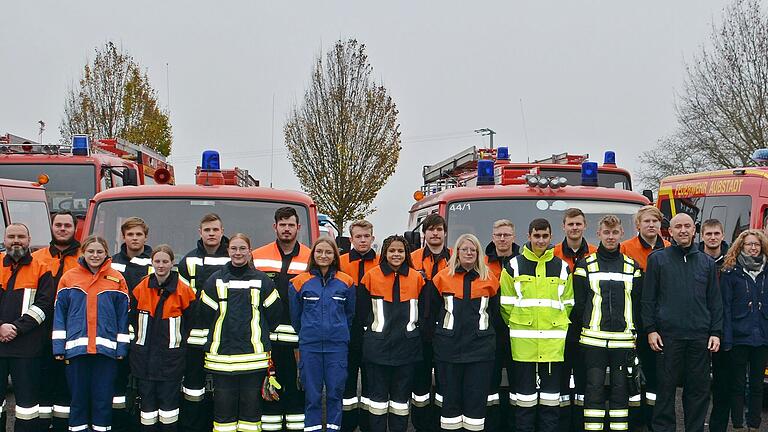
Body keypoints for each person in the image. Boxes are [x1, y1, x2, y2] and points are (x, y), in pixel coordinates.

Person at [189, 233, 282, 432]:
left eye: (242, 249)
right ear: (228, 251)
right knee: (223, 416)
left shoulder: (263, 281)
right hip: (222, 361)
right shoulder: (215, 280)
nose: (238, 253)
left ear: (250, 251)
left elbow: (275, 315)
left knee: (251, 414)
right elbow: (204, 314)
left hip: (253, 361)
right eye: (234, 249)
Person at [641, 213, 722, 432]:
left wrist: (715, 332)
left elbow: (715, 301)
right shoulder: (657, 259)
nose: (683, 230)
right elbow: (648, 299)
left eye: (687, 226)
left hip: (699, 338)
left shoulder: (707, 262)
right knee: (665, 391)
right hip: (668, 337)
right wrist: (651, 330)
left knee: (698, 392)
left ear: (694, 230)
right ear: (670, 231)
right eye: (678, 227)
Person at [500, 218, 573, 432]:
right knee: (525, 403)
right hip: (524, 348)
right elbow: (506, 306)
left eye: (545, 236)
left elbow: (568, 304)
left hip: (552, 348)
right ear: (529, 236)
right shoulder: (513, 266)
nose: (540, 240)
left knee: (551, 403)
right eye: (536, 236)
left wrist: (554, 325)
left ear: (551, 237)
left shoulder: (562, 268)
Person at [53, 235, 131, 432]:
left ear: (106, 253)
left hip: (107, 352)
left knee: (103, 400)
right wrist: (58, 348)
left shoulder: (117, 278)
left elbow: (123, 317)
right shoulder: (69, 278)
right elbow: (59, 315)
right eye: (91, 251)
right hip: (76, 351)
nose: (95, 255)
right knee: (78, 399)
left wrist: (122, 347)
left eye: (99, 251)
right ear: (83, 252)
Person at [572, 215, 642, 432]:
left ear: (622, 234)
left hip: (623, 341)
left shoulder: (632, 266)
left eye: (614, 233)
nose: (610, 237)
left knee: (621, 390)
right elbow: (579, 304)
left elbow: (638, 304)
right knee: (593, 389)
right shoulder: (585, 265)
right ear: (599, 234)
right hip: (594, 341)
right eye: (606, 232)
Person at [432, 233, 500, 432]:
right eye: (465, 249)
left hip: (480, 351)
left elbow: (495, 314)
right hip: (448, 350)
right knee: (450, 401)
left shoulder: (490, 278)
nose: (469, 253)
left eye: (473, 249)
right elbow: (432, 311)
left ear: (478, 253)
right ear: (457, 253)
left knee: (476, 402)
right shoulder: (442, 277)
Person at [252, 207, 311, 432]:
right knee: (269, 391)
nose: (287, 229)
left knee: (297, 390)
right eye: (282, 224)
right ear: (275, 226)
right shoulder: (258, 256)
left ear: (299, 227)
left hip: (298, 339)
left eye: (291, 225)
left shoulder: (309, 257)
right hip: (266, 338)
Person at [358, 235, 425, 432]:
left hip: (407, 349)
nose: (396, 254)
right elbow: (362, 312)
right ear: (385, 253)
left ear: (406, 254)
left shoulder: (417, 278)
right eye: (392, 251)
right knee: (377, 401)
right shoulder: (371, 276)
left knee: (400, 402)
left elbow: (423, 312)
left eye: (400, 251)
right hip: (377, 348)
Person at [289, 237, 355, 432]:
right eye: (319, 252)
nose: (323, 256)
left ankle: (334, 428)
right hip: (310, 346)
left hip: (337, 347)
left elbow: (350, 314)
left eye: (328, 252)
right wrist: (308, 333)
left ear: (335, 255)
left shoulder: (347, 282)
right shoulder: (300, 282)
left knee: (335, 392)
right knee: (312, 394)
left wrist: (339, 331)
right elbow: (295, 316)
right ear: (313, 255)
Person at [130, 245, 196, 431]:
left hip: (171, 361)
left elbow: (191, 323)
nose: (161, 265)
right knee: (147, 410)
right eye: (157, 261)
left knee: (169, 409)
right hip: (143, 360)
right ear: (152, 262)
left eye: (165, 261)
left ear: (172, 263)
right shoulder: (140, 288)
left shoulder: (184, 291)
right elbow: (131, 320)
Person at [178, 213, 230, 432]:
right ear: (200, 232)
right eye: (207, 230)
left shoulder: (233, 258)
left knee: (224, 386)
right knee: (193, 387)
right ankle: (192, 426)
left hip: (225, 335)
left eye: (215, 230)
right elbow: (179, 299)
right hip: (194, 335)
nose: (211, 234)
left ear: (222, 231)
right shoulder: (188, 261)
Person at [0, 223, 54, 431]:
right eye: (11, 236)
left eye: (21, 236)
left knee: (27, 406)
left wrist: (16, 328)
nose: (16, 240)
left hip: (27, 347)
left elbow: (45, 305)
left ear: (29, 240)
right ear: (4, 240)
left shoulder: (41, 268)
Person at [620, 205, 670, 427]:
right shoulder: (625, 248)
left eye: (655, 221)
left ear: (660, 225)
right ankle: (634, 420)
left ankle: (653, 419)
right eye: (647, 221)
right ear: (637, 225)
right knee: (630, 374)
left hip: (660, 323)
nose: (651, 225)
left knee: (655, 373)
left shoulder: (670, 248)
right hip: (632, 320)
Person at [33, 210, 81, 430]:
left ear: (74, 228)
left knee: (66, 384)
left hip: (73, 330)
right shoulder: (37, 258)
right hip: (40, 331)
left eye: (67, 225)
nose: (62, 229)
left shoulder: (84, 257)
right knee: (42, 382)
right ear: (52, 228)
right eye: (58, 225)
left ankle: (63, 426)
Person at [552, 208, 597, 431]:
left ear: (585, 226)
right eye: (570, 224)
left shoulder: (595, 254)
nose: (574, 228)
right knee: (559, 382)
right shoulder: (552, 255)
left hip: (587, 328)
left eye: (578, 224)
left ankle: (580, 424)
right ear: (564, 227)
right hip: (559, 329)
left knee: (583, 381)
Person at [720, 229, 768, 432]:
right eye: (749, 244)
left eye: (756, 244)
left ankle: (754, 426)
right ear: (741, 246)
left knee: (757, 386)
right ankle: (738, 425)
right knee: (737, 385)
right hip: (739, 337)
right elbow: (725, 307)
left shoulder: (766, 271)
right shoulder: (731, 272)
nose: (753, 247)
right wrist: (727, 339)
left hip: (762, 337)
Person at [110, 216, 154, 431]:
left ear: (146, 237)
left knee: (144, 382)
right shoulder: (112, 262)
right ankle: (119, 425)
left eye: (138, 234)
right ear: (123, 237)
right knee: (117, 382)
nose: (134, 238)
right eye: (130, 234)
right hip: (116, 331)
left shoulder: (155, 262)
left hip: (146, 332)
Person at [410, 214, 451, 432]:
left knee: (445, 380)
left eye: (439, 229)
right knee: (420, 381)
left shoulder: (455, 258)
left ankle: (442, 421)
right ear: (424, 233)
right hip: (419, 328)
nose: (435, 233)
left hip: (445, 328)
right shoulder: (413, 258)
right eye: (430, 229)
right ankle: (421, 424)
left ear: (445, 233)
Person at [338, 220, 378, 432]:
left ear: (373, 237)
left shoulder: (382, 262)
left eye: (366, 236)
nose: (363, 240)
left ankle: (368, 424)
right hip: (347, 328)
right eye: (358, 237)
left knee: (371, 380)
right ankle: (347, 423)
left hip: (373, 329)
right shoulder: (341, 263)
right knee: (347, 380)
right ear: (351, 239)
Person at [484, 220, 519, 432]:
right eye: (499, 235)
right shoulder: (482, 262)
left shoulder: (523, 262)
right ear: (493, 236)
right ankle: (492, 425)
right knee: (491, 384)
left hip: (517, 332)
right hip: (490, 333)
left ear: (514, 237)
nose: (503, 239)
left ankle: (515, 425)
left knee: (518, 384)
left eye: (506, 235)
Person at [699, 219, 731, 432]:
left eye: (716, 233)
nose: (712, 237)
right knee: (699, 384)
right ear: (701, 236)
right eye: (708, 233)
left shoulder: (732, 261)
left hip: (725, 330)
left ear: (722, 235)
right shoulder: (693, 259)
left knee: (723, 384)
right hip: (699, 329)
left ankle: (718, 426)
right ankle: (696, 423)